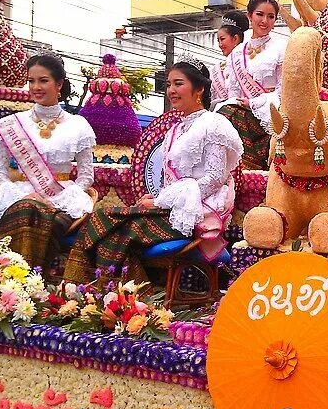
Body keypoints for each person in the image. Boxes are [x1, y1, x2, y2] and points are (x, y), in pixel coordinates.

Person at [64, 56, 242, 283]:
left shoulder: (215, 124)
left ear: (199, 88)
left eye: (179, 83)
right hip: (171, 208)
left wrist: (161, 202)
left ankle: (103, 292)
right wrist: (157, 198)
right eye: (168, 84)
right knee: (104, 220)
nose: (171, 90)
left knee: (109, 221)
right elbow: (172, 182)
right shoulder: (176, 130)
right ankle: (104, 295)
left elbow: (215, 179)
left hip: (196, 215)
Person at [0, 53, 96, 270]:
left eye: (43, 80)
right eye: (31, 81)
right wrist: (23, 195)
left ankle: (27, 279)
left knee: (38, 214)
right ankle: (15, 280)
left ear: (59, 84)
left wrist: (60, 197)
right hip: (22, 196)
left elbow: (86, 176)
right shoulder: (13, 124)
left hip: (61, 199)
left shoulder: (78, 125)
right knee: (28, 208)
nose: (36, 87)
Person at [221, 0, 287, 171]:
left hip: (269, 115)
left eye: (271, 16)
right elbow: (232, 92)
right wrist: (240, 103)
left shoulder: (282, 48)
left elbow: (284, 91)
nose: (264, 21)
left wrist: (255, 103)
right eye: (260, 14)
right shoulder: (236, 53)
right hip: (240, 112)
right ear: (250, 15)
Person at [210, 10, 250, 111]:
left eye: (222, 39)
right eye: (218, 40)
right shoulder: (218, 69)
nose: (220, 44)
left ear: (235, 39)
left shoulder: (248, 62)